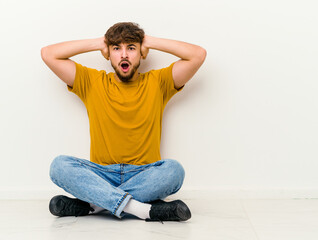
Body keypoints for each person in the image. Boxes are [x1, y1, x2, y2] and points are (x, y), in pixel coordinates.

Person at [41, 22, 206, 222]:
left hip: (144, 174)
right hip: (102, 173)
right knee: (59, 166)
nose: (124, 55)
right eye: (116, 48)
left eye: (131, 48)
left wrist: (149, 41)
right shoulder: (92, 81)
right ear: (108, 54)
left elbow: (198, 55)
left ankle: (95, 205)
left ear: (142, 53)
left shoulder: (158, 82)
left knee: (174, 171)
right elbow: (48, 54)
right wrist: (99, 43)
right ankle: (143, 210)